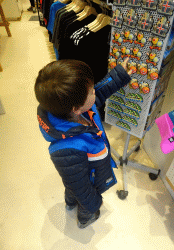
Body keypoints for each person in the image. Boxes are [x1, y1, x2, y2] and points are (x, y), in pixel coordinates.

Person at [34, 58, 133, 229]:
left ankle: (70, 202)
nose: (95, 91)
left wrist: (119, 75)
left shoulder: (70, 108)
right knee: (79, 193)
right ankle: (84, 218)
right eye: (91, 91)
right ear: (76, 109)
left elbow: (100, 93)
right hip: (90, 179)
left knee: (71, 188)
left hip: (84, 171)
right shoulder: (66, 149)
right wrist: (92, 204)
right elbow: (80, 186)